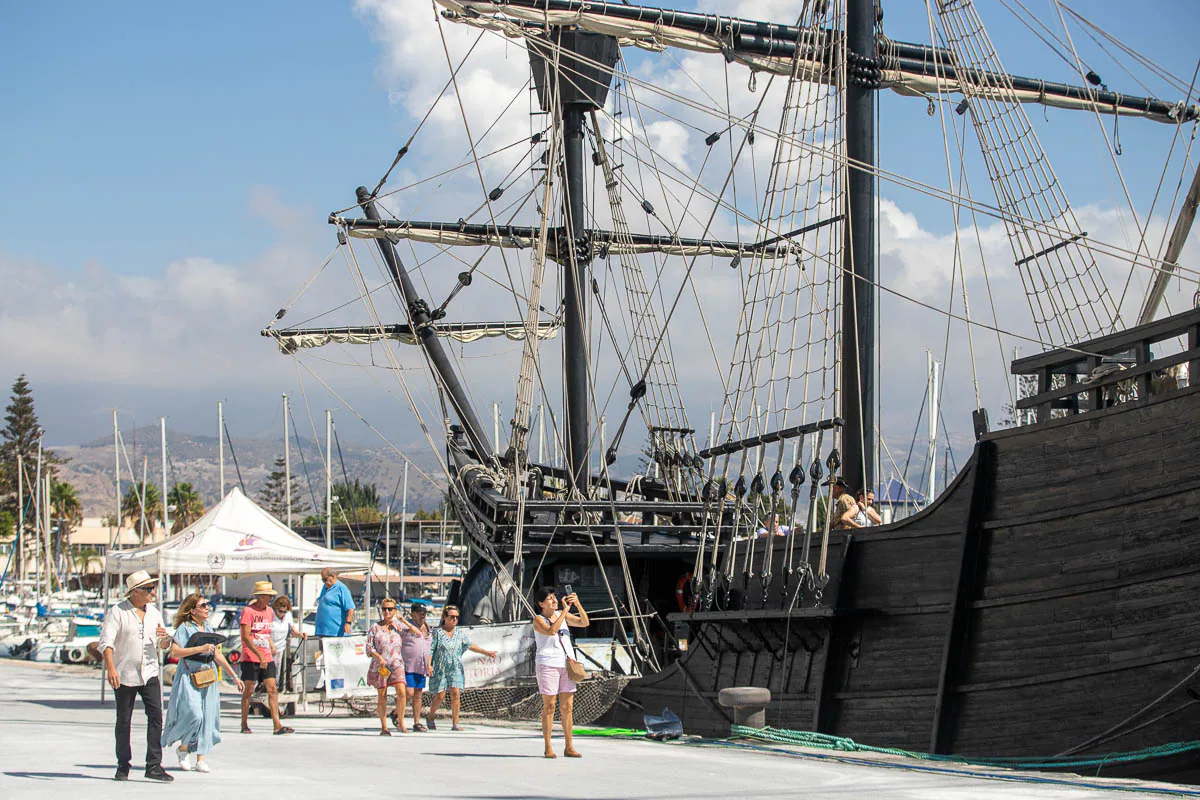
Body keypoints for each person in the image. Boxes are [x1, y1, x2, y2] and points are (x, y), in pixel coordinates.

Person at [99, 569, 175, 782]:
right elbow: (107, 642)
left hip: (150, 672)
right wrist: (111, 668)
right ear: (135, 592)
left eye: (153, 588)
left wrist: (165, 640)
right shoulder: (118, 612)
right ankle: (123, 765)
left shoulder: (154, 613)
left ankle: (154, 765)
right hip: (124, 673)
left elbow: (163, 643)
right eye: (149, 589)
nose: (152, 592)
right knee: (124, 720)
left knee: (156, 717)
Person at [162, 593, 244, 773]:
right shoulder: (184, 628)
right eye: (203, 605)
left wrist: (234, 676)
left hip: (208, 674)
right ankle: (183, 748)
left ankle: (201, 757)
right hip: (189, 674)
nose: (207, 608)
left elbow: (217, 655)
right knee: (194, 713)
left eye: (207, 605)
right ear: (192, 611)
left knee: (207, 716)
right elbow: (175, 652)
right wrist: (200, 648)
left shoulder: (208, 627)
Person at [532, 587, 589, 759]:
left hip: (566, 663)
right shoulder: (538, 619)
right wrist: (564, 611)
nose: (554, 600)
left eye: (554, 597)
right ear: (541, 604)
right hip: (547, 663)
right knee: (549, 706)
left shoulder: (561, 615)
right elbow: (551, 631)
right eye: (549, 598)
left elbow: (584, 622)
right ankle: (548, 746)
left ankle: (569, 746)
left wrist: (577, 605)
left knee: (568, 707)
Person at [425, 605, 496, 732]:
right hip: (441, 667)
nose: (454, 620)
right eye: (452, 617)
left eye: (457, 617)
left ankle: (455, 722)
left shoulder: (459, 633)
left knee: (456, 694)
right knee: (440, 695)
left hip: (455, 667)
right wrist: (429, 664)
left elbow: (470, 645)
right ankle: (430, 716)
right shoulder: (438, 633)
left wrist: (486, 652)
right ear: (445, 617)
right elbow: (431, 649)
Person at [238, 581, 293, 735]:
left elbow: (265, 632)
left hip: (266, 655)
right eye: (268, 596)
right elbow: (246, 637)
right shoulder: (248, 611)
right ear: (260, 596)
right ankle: (244, 723)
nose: (270, 599)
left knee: (272, 689)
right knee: (248, 689)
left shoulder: (269, 612)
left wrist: (271, 644)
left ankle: (277, 724)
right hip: (251, 657)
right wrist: (259, 655)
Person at [366, 598, 406, 735]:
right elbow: (369, 648)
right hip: (382, 666)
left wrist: (402, 620)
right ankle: (384, 726)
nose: (387, 611)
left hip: (396, 663)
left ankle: (401, 722)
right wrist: (378, 657)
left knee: (402, 692)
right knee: (382, 695)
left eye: (390, 609)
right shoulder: (375, 628)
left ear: (395, 611)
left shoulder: (398, 627)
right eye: (384, 609)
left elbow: (417, 633)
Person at [395, 601, 433, 732]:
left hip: (421, 666)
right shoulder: (407, 626)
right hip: (408, 665)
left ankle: (416, 722)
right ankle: (397, 713)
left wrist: (429, 664)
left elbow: (429, 648)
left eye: (424, 613)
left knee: (418, 694)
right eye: (419, 613)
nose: (422, 616)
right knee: (408, 692)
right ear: (413, 614)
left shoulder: (428, 628)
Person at [270, 595, 306, 692]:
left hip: (280, 646)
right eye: (280, 611)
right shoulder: (270, 614)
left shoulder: (288, 616)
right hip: (268, 647)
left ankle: (276, 689)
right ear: (275, 608)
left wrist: (300, 635)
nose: (282, 614)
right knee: (269, 670)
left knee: (277, 669)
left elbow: (292, 630)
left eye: (284, 612)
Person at [315, 568, 355, 637]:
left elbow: (350, 608)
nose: (324, 582)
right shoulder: (324, 587)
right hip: (322, 632)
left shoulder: (342, 588)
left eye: (325, 579)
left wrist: (348, 623)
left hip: (335, 633)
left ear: (333, 576)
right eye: (322, 580)